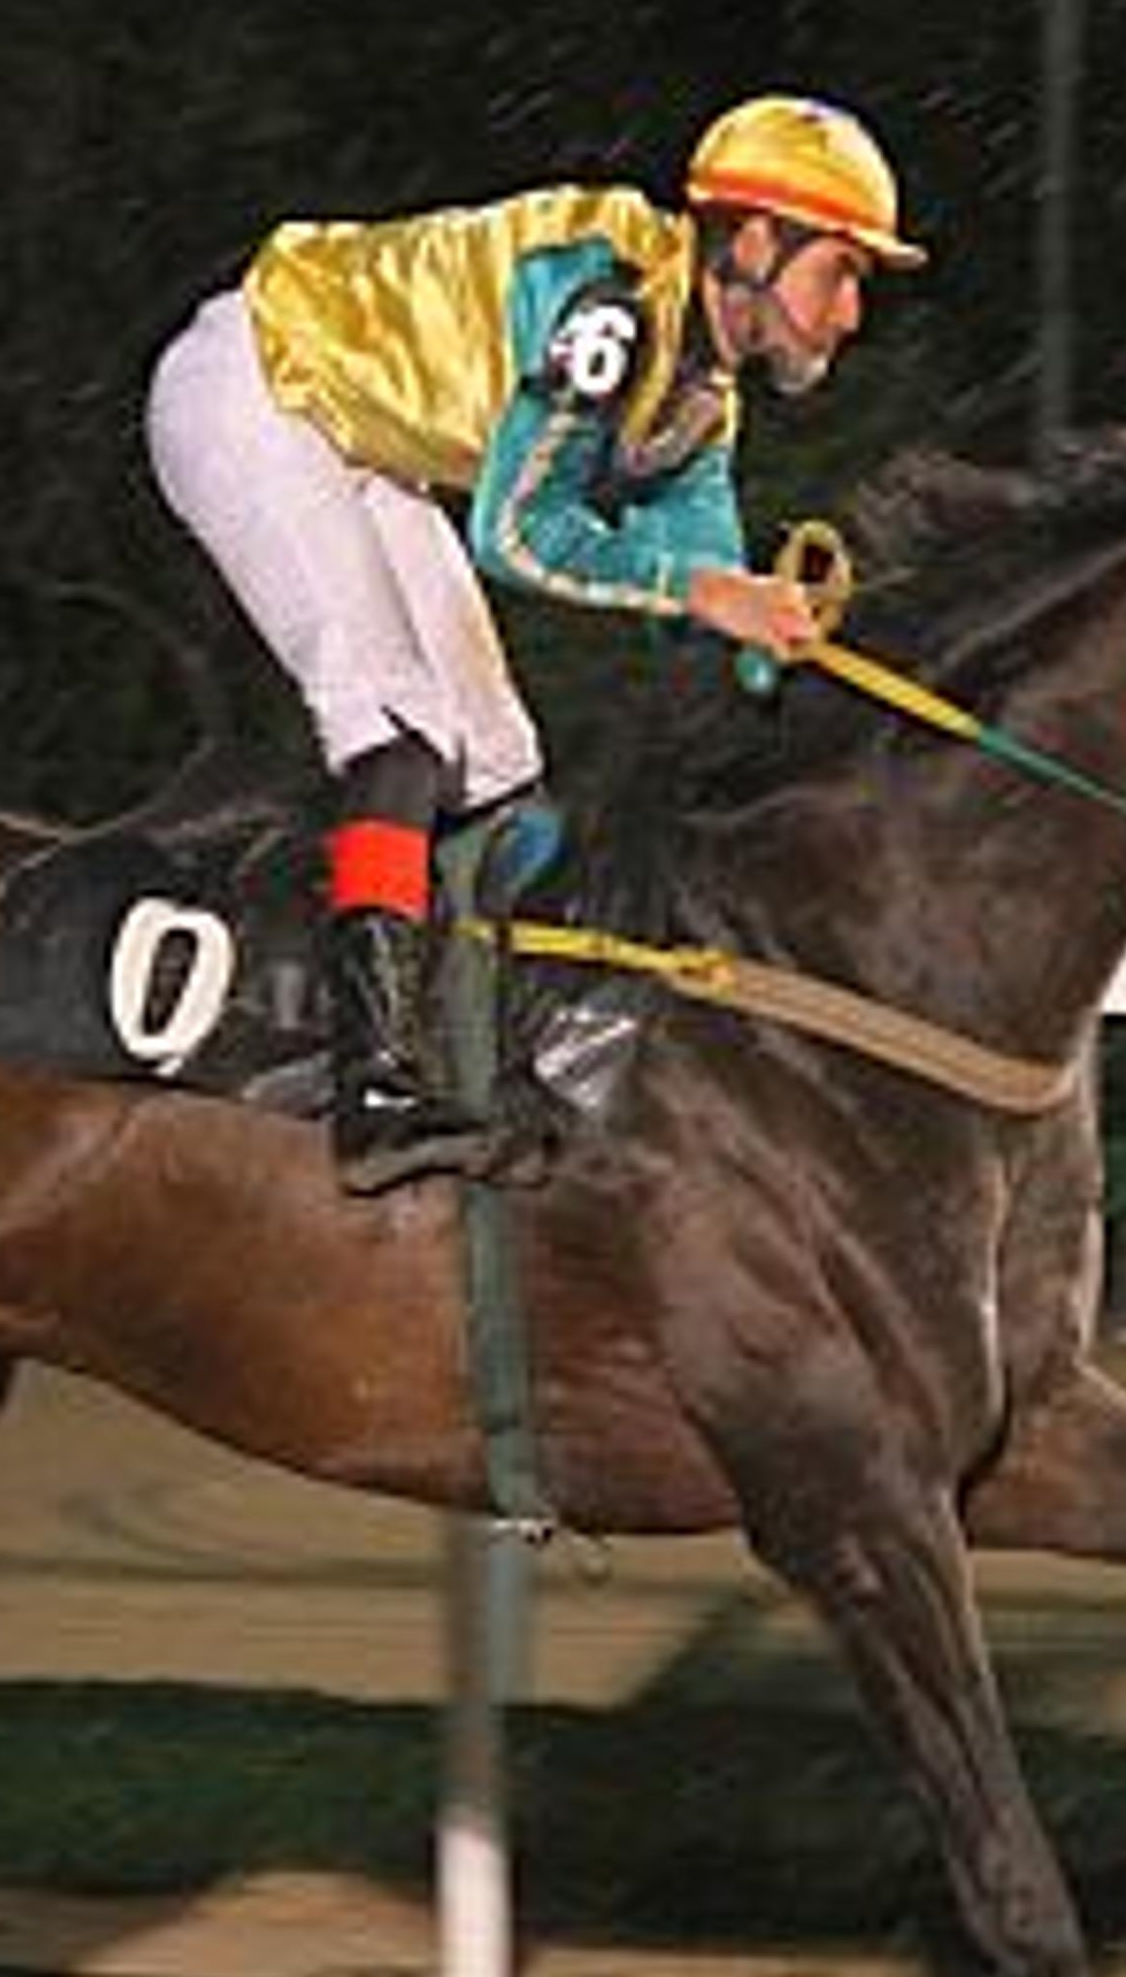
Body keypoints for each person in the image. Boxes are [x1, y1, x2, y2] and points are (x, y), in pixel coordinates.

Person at [145, 94, 923, 1194]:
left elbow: (704, 606)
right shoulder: (606, 309)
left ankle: (494, 1043)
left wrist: (804, 651)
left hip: (361, 441)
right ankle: (374, 1088)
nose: (849, 311)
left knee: (500, 765)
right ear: (752, 242)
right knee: (401, 734)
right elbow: (516, 536)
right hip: (252, 395)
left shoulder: (703, 394)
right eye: (839, 272)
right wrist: (709, 594)